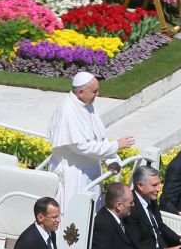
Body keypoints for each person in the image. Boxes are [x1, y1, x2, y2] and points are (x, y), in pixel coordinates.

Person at [47, 72, 134, 214]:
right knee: (73, 213)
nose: (97, 94)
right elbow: (81, 146)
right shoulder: (67, 110)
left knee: (92, 212)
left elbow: (99, 137)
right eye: (94, 91)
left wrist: (111, 160)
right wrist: (116, 146)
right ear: (81, 92)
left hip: (91, 172)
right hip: (73, 174)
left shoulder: (87, 105)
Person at [130, 165, 181, 249]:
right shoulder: (131, 208)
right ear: (140, 186)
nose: (159, 189)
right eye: (154, 185)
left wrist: (180, 239)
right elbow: (136, 244)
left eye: (159, 184)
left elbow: (160, 225)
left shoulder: (151, 199)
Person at [89, 182, 143, 249]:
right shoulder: (103, 224)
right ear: (119, 205)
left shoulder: (124, 219)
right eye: (130, 202)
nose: (133, 205)